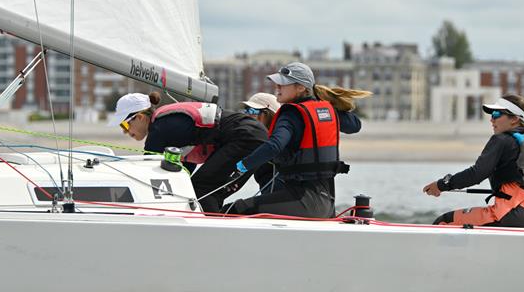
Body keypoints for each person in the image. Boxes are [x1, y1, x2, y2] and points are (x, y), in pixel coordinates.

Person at [224, 62, 371, 218]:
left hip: (303, 202)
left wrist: (241, 166)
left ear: (301, 87)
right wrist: (331, 106)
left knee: (233, 209)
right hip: (326, 205)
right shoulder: (325, 109)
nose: (277, 88)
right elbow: (355, 126)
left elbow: (274, 146)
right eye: (277, 84)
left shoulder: (290, 114)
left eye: (283, 84)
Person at [422, 94, 524, 228]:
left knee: (443, 222)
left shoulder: (502, 140)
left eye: (497, 115)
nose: (492, 120)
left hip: (507, 217)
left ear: (514, 119)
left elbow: (476, 174)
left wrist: (441, 185)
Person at [110, 92, 268, 212]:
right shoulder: (166, 126)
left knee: (201, 189)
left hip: (244, 137)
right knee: (201, 190)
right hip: (250, 135)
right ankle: (215, 225)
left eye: (124, 125)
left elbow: (148, 173)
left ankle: (211, 237)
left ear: (140, 117)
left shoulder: (158, 130)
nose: (125, 132)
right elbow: (184, 173)